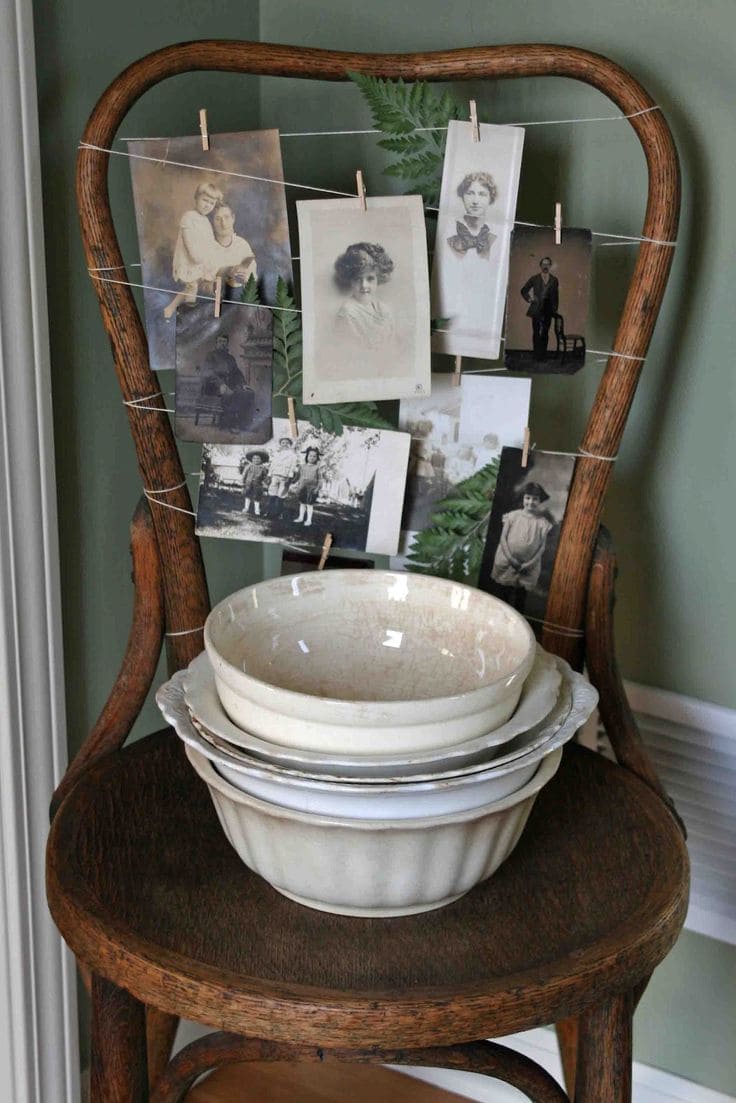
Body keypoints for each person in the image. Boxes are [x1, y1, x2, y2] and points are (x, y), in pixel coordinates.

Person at [489, 481, 554, 613]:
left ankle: (518, 623)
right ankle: (500, 616)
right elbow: (503, 538)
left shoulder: (542, 523)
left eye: (535, 499)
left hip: (527, 567)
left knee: (520, 597)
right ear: (523, 498)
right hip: (508, 562)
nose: (530, 502)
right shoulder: (512, 516)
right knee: (503, 594)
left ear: (540, 501)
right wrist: (510, 558)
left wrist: (530, 563)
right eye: (527, 498)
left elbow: (542, 547)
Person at [163, 181, 223, 319]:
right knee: (192, 287)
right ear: (196, 198)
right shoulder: (188, 217)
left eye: (211, 203)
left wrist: (219, 250)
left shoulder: (206, 221)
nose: (207, 205)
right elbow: (190, 244)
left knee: (192, 287)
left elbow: (210, 241)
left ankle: (170, 308)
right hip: (188, 261)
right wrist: (199, 258)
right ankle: (187, 313)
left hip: (200, 261)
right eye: (205, 200)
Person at [334, 242, 394, 348]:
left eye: (370, 279)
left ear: (378, 278)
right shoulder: (348, 312)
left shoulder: (383, 308)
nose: (364, 285)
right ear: (350, 280)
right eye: (357, 279)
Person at [200, 334, 254, 431]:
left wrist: (244, 384)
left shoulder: (230, 358)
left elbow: (237, 373)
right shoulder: (211, 356)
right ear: (216, 343)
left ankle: (244, 424)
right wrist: (220, 384)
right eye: (220, 341)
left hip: (229, 385)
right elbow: (208, 373)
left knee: (249, 393)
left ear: (227, 344)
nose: (222, 344)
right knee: (231, 394)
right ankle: (228, 424)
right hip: (213, 386)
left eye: (224, 342)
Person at [447, 172, 498, 259]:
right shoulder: (448, 233)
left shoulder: (497, 239)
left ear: (490, 198)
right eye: (470, 193)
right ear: (462, 196)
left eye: (482, 194)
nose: (475, 201)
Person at [209, 203, 257, 295]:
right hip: (214, 301)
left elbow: (253, 278)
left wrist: (245, 278)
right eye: (218, 219)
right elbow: (204, 283)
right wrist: (225, 274)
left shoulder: (242, 245)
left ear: (233, 218)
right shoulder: (207, 247)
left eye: (226, 217)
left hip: (240, 297)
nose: (223, 223)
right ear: (212, 221)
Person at [520, 257, 559, 360]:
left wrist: (554, 310)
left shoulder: (554, 280)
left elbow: (556, 297)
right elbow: (524, 290)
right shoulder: (534, 278)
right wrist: (530, 299)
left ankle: (543, 355)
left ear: (550, 266)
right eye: (543, 264)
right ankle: (536, 355)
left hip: (548, 309)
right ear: (540, 265)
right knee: (536, 332)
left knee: (545, 332)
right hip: (536, 308)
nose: (545, 266)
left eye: (547, 264)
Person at [264, 437, 300, 520]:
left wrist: (289, 477)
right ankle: (269, 511)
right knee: (272, 494)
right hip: (275, 475)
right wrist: (269, 475)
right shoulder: (276, 454)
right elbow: (272, 465)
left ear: (290, 445)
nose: (285, 444)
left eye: (287, 443)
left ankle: (279, 513)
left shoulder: (292, 455)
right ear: (280, 444)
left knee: (281, 495)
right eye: (283, 443)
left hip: (285, 476)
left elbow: (292, 467)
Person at [294, 446, 323, 527]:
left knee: (309, 504)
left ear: (317, 458)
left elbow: (320, 479)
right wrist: (293, 482)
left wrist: (317, 488)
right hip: (302, 487)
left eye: (314, 456)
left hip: (312, 489)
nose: (312, 458)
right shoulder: (302, 466)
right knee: (302, 503)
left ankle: (309, 520)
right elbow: (297, 476)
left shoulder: (318, 467)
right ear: (307, 456)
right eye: (310, 455)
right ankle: (300, 518)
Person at [241, 450, 269, 516]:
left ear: (261, 460)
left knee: (257, 497)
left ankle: (257, 510)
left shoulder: (263, 468)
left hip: (258, 484)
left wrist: (265, 483)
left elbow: (265, 476)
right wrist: (243, 483)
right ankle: (246, 508)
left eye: (258, 458)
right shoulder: (249, 466)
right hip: (248, 483)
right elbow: (244, 475)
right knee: (247, 495)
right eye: (254, 458)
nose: (256, 460)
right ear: (252, 459)